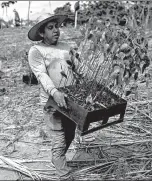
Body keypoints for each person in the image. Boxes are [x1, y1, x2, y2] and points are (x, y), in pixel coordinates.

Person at [27, 14, 87, 180]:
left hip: (70, 100)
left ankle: (57, 158)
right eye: (50, 28)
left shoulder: (66, 47)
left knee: (70, 135)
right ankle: (64, 173)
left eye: (57, 27)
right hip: (51, 102)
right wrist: (54, 92)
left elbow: (78, 69)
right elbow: (41, 75)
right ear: (41, 33)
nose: (56, 31)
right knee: (58, 138)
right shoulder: (36, 51)